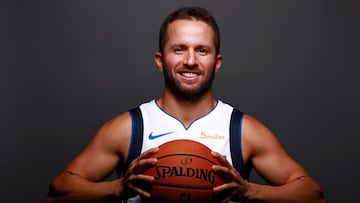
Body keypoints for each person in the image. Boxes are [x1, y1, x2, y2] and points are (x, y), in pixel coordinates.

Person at [46, 6, 326, 203]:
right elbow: (58, 193)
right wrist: (119, 188)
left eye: (201, 50)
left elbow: (313, 195)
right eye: (179, 49)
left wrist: (249, 191)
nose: (190, 61)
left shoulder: (241, 130)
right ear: (160, 60)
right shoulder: (130, 127)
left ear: (217, 63)